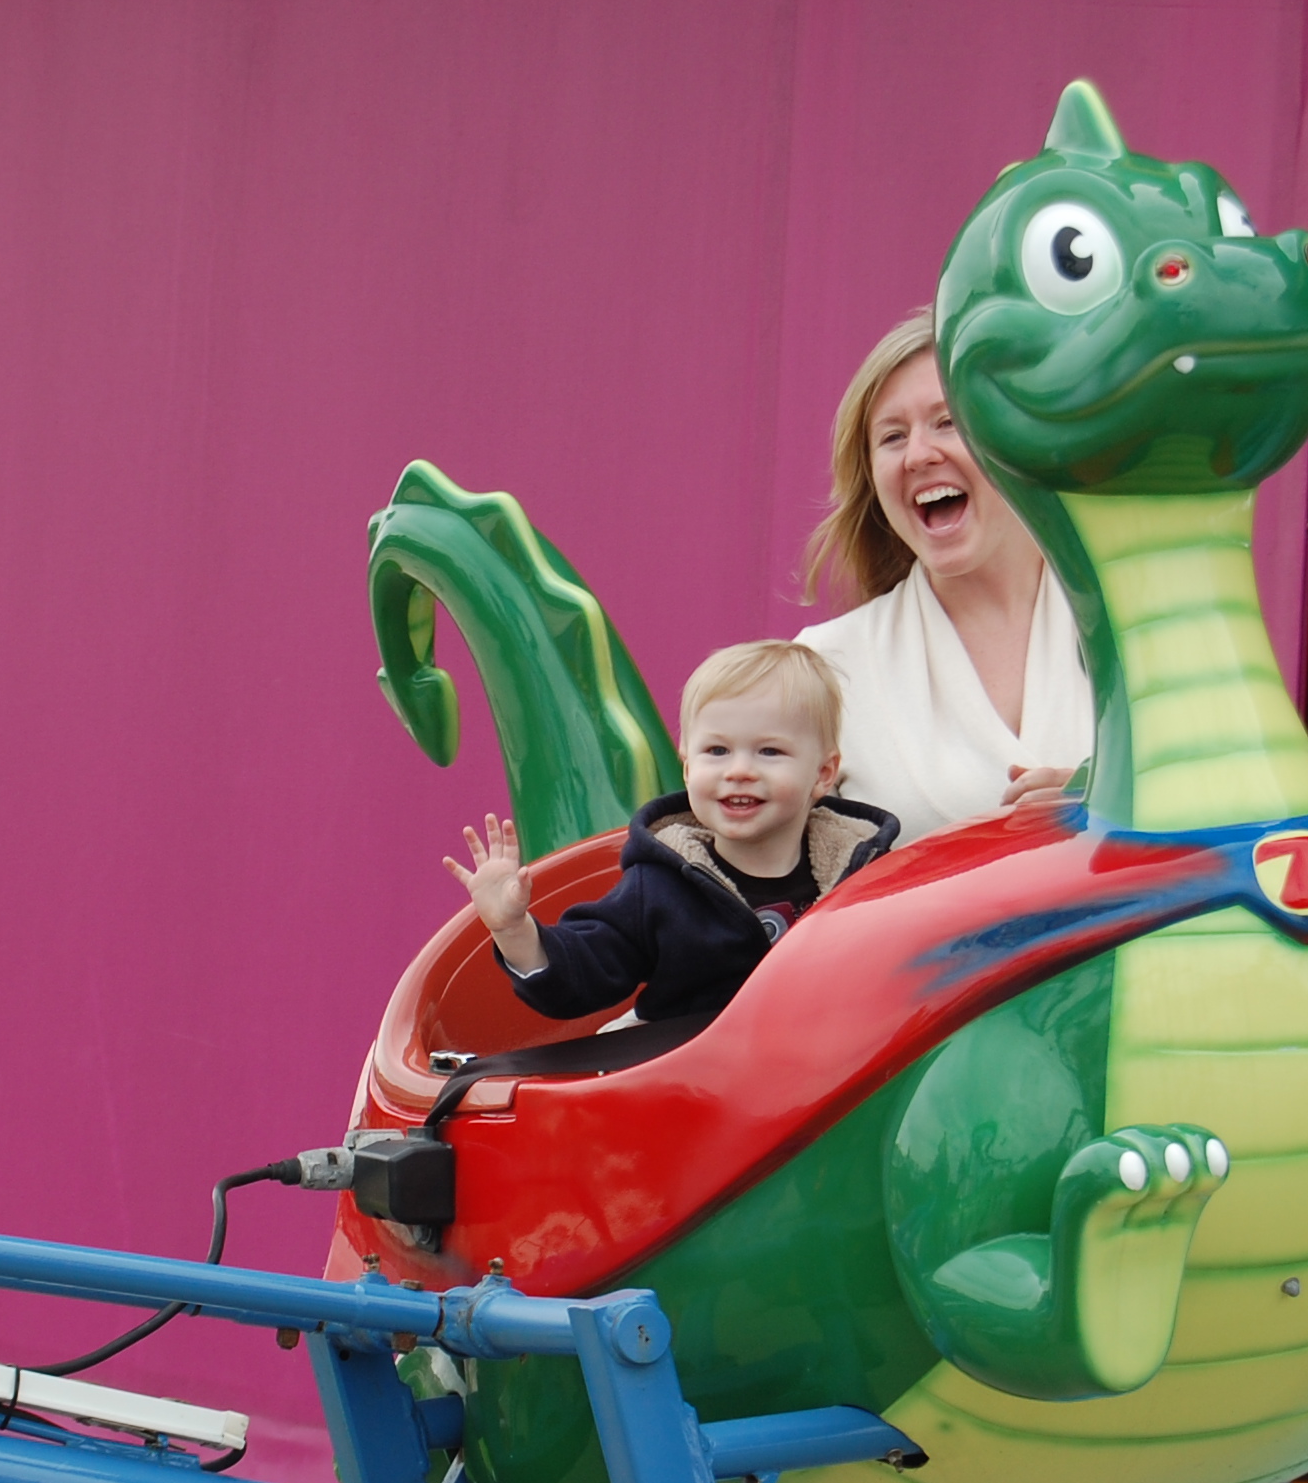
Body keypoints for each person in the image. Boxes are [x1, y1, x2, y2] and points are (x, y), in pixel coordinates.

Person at [445, 640, 896, 1025]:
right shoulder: (659, 887)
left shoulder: (861, 874)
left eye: (769, 752)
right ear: (687, 768)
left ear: (822, 774)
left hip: (827, 1075)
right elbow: (583, 974)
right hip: (692, 1081)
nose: (739, 770)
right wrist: (513, 930)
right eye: (717, 750)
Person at [794, 309, 1095, 838]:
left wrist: (1112, 804)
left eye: (949, 421)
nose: (917, 455)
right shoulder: (825, 667)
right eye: (892, 437)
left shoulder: (1141, 627)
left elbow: (1238, 818)